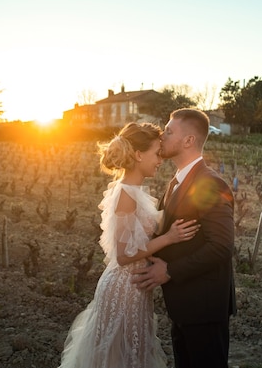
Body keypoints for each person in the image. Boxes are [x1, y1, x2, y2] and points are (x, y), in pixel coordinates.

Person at [59, 122, 201, 368]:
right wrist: (170, 238)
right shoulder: (126, 194)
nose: (160, 159)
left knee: (131, 356)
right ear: (138, 154)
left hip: (135, 287)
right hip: (124, 287)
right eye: (156, 153)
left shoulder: (134, 191)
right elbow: (125, 255)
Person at [132, 108, 236, 368]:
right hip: (183, 305)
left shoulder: (210, 183)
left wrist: (169, 270)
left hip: (204, 307)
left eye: (169, 131)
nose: (162, 136)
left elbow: (221, 246)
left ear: (189, 141)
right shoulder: (176, 181)